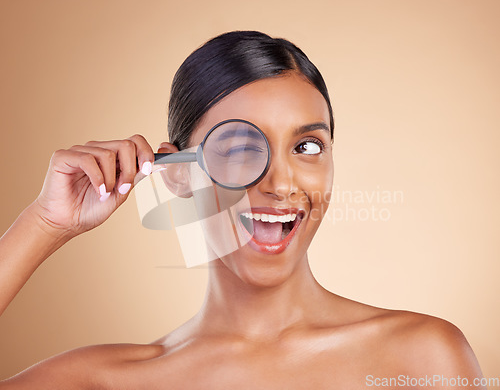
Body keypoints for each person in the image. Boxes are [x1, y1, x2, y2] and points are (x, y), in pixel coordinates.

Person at [0, 31, 485, 389]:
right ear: (177, 172)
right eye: (239, 147)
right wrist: (43, 225)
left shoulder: (422, 357)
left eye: (308, 147)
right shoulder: (102, 381)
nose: (280, 184)